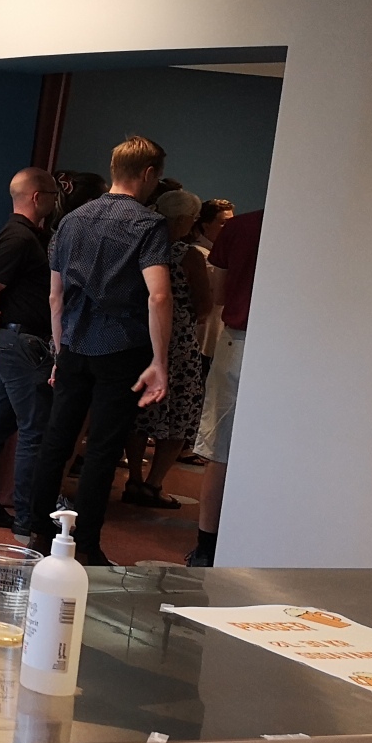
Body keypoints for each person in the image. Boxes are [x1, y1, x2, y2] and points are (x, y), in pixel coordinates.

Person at [25, 135, 174, 564]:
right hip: (122, 349)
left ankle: (37, 532)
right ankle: (86, 545)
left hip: (73, 344)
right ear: (148, 173)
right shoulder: (149, 225)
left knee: (57, 440)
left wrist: (59, 350)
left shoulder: (71, 222)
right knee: (103, 449)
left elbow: (55, 297)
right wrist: (159, 361)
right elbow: (158, 296)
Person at [0, 168, 62, 535]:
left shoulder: (26, 236)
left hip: (11, 343)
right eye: (53, 195)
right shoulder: (19, 237)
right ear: (38, 197)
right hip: (20, 346)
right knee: (34, 431)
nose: (56, 202)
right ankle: (27, 517)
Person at [122, 188, 211, 508]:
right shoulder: (189, 256)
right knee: (179, 415)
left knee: (139, 413)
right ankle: (154, 483)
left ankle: (134, 477)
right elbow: (204, 306)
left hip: (139, 337)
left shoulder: (138, 245)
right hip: (178, 343)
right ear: (184, 219)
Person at [188, 207, 262, 567]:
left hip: (239, 341)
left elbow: (218, 295)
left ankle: (207, 547)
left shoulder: (240, 227)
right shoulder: (314, 231)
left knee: (220, 449)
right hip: (293, 347)